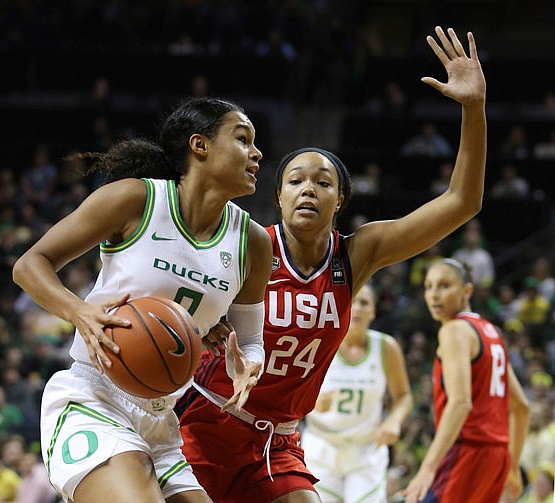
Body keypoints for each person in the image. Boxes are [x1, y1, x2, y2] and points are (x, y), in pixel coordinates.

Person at [178, 26, 489, 502]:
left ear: (339, 199)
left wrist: (473, 108)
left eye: (322, 183)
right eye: (295, 180)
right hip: (207, 422)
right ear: (278, 196)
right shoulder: (246, 244)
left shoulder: (356, 253)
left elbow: (462, 201)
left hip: (276, 440)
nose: (308, 188)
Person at [11, 96, 273, 503]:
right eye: (243, 139)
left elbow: (252, 340)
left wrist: (248, 364)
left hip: (159, 420)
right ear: (199, 145)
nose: (256, 153)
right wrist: (79, 312)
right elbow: (30, 265)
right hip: (92, 396)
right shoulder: (136, 200)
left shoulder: (253, 242)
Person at [403, 259, 531, 503]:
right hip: (497, 456)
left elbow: (461, 403)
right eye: (428, 286)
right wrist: (513, 467)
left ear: (467, 291)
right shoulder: (491, 332)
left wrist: (427, 468)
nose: (434, 295)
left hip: (466, 451)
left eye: (444, 286)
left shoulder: (454, 330)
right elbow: (521, 407)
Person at [299, 283, 412, 502]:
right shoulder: (318, 341)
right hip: (321, 448)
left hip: (365, 450)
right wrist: (309, 402)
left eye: (365, 303)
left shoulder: (386, 347)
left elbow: (404, 396)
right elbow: (288, 393)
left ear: (374, 311)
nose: (358, 308)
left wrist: (394, 421)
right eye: (353, 301)